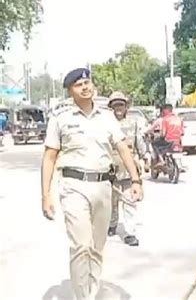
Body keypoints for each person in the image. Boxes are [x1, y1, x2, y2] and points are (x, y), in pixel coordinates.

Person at [41, 68, 143, 300]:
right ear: (70, 91)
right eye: (79, 85)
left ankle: (92, 292)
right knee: (81, 246)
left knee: (96, 248)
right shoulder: (61, 119)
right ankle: (82, 297)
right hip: (73, 186)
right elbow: (49, 157)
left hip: (103, 186)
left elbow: (123, 148)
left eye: (87, 82)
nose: (85, 87)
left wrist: (135, 179)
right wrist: (45, 195)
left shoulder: (107, 118)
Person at [107, 91, 147, 247]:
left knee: (130, 201)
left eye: (121, 105)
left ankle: (130, 233)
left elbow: (140, 142)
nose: (118, 108)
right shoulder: (106, 124)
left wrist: (145, 157)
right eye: (115, 105)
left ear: (126, 107)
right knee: (111, 201)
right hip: (109, 169)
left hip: (129, 169)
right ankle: (112, 224)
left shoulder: (133, 123)